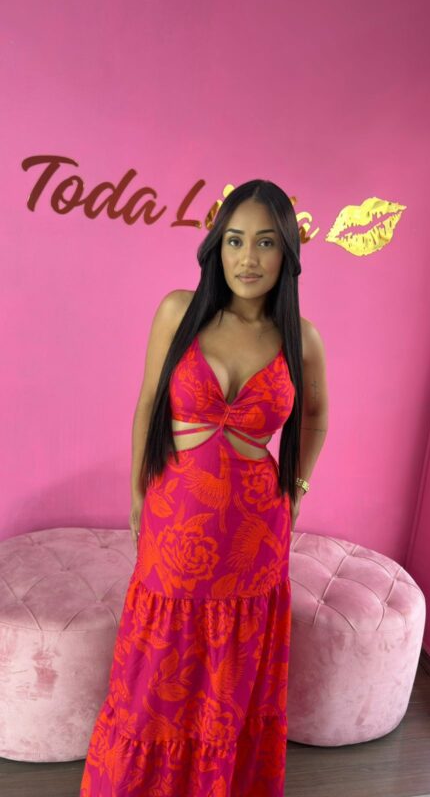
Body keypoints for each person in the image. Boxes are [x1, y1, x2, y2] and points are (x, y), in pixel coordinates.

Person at [80, 179, 328, 796]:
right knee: (156, 672)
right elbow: (147, 405)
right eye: (235, 240)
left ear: (288, 252)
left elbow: (317, 416)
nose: (248, 258)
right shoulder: (179, 311)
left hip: (255, 538)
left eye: (266, 243)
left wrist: (297, 487)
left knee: (230, 680)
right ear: (217, 246)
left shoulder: (301, 338)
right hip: (176, 520)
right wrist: (137, 495)